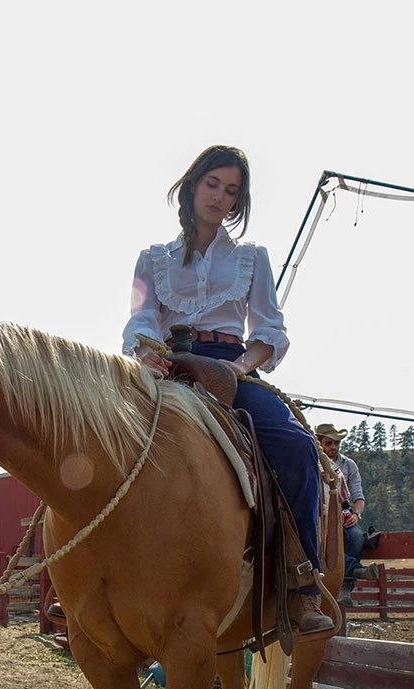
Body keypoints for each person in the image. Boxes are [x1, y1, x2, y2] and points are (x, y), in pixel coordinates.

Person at [121, 144, 333, 634]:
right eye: (213, 184)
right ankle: (82, 571)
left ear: (239, 203)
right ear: (193, 185)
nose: (220, 196)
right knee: (95, 428)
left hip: (228, 366)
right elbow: (142, 318)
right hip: (166, 363)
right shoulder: (152, 259)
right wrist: (145, 354)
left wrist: (239, 369)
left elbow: (270, 330)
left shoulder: (251, 259)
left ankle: (301, 583)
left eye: (231, 191)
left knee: (296, 447)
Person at [315, 422, 378, 604]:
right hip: (320, 512)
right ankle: (355, 570)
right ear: (320, 443)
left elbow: (358, 497)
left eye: (336, 443)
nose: (333, 447)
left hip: (342, 509)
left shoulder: (349, 465)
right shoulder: (313, 462)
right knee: (323, 540)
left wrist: (356, 515)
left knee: (356, 536)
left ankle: (346, 585)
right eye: (329, 443)